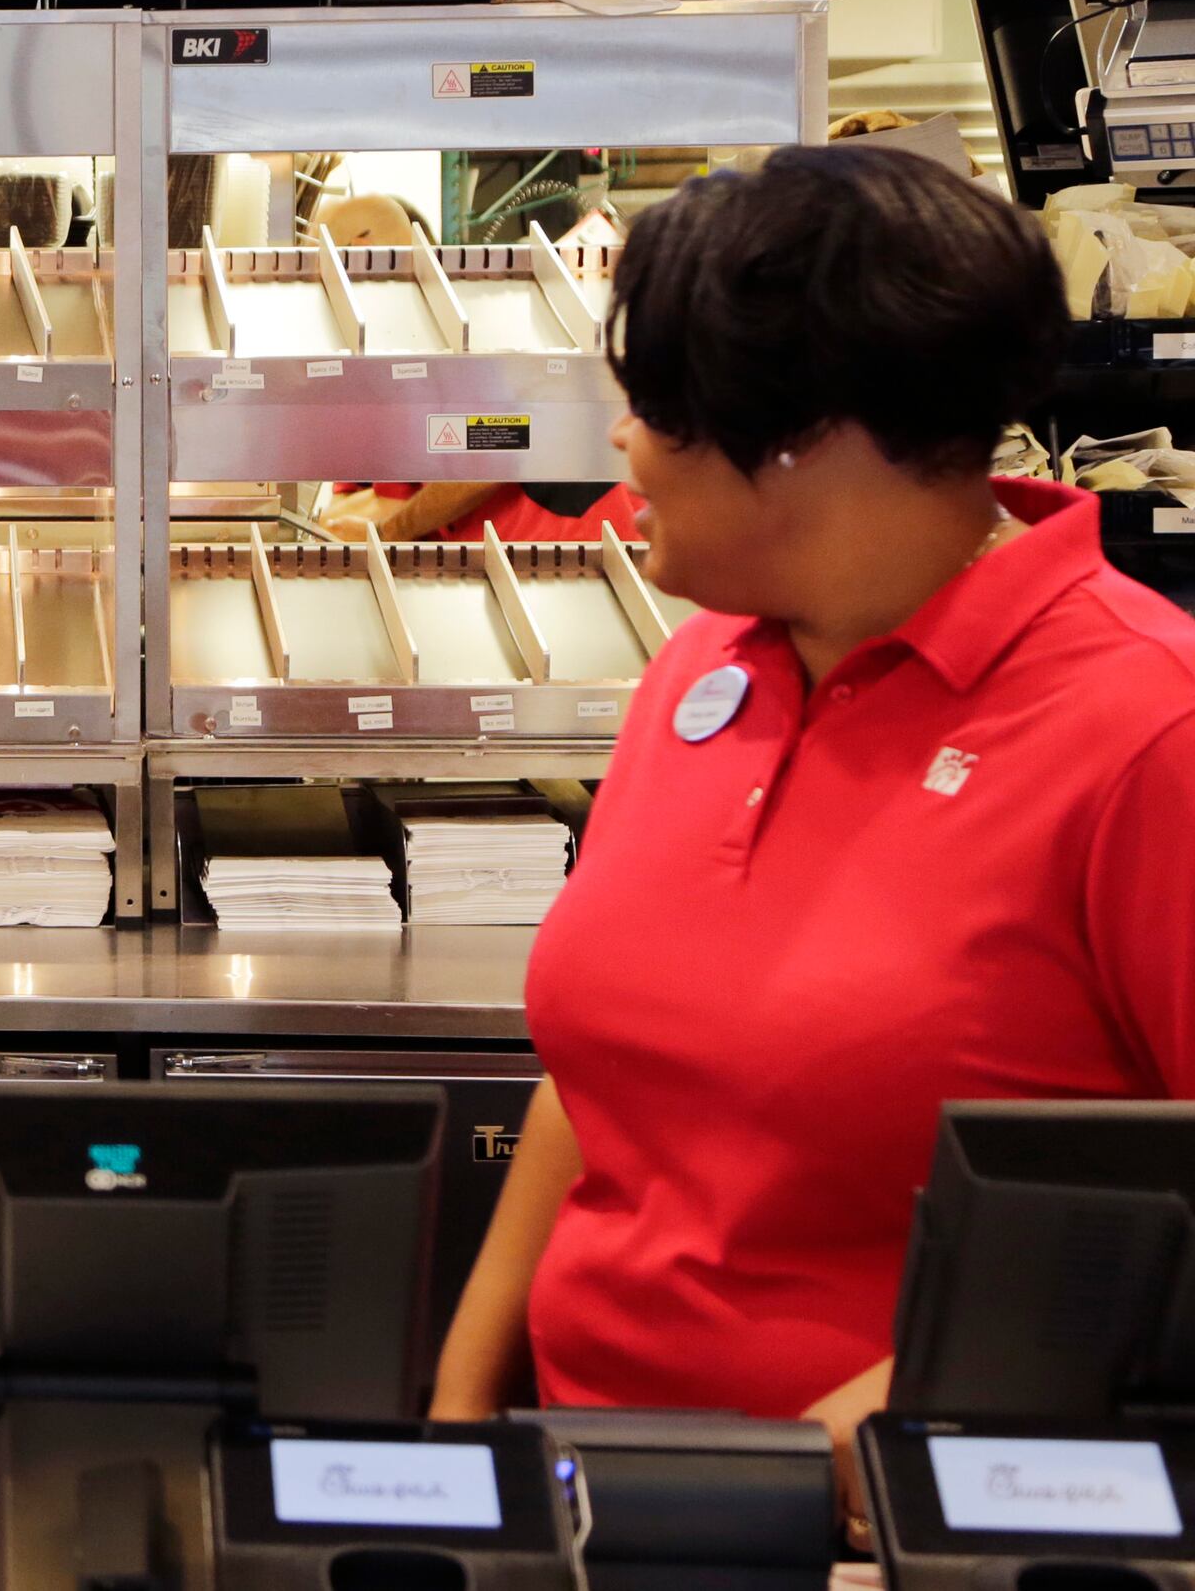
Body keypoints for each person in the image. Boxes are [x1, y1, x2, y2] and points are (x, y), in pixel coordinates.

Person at [432, 147, 1195, 1522]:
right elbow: (602, 1084)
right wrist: (457, 1412)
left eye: (657, 405)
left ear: (808, 437)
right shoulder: (697, 675)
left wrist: (873, 1443)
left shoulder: (1148, 731)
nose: (621, 444)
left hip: (918, 1527)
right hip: (593, 1501)